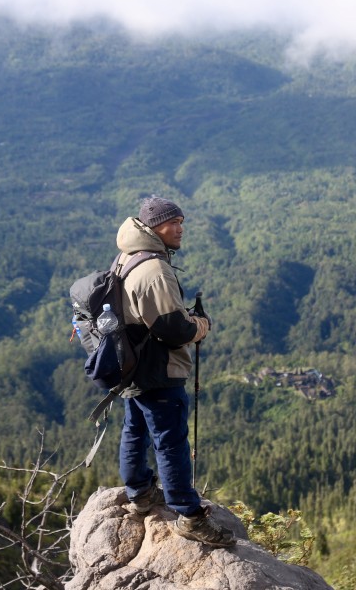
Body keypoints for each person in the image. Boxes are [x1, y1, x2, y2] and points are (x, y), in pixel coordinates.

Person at [113, 195, 236, 548]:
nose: (180, 229)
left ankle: (139, 493)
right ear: (154, 227)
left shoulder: (127, 257)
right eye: (173, 223)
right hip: (158, 369)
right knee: (171, 441)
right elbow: (173, 330)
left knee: (135, 429)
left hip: (131, 364)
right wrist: (200, 325)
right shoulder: (154, 270)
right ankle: (189, 515)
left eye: (181, 222)